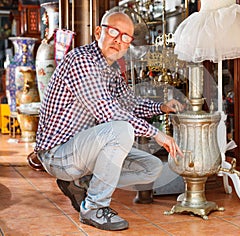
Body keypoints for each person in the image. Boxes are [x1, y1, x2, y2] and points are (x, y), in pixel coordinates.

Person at [34, 11, 183, 231]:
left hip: (85, 150)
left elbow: (129, 104)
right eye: (113, 32)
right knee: (120, 130)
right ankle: (94, 208)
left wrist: (161, 107)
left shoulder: (111, 69)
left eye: (125, 37)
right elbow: (110, 112)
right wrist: (157, 134)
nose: (118, 40)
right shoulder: (82, 61)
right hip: (58, 154)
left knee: (151, 168)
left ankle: (83, 184)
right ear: (98, 32)